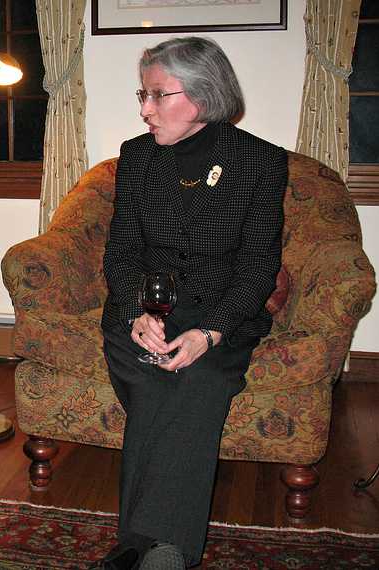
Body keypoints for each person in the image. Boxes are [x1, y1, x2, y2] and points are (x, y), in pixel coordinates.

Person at [99, 37, 287, 569]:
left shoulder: (260, 163)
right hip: (140, 313)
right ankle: (167, 548)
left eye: (158, 95)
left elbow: (258, 267)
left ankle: (145, 544)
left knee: (198, 378)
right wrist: (139, 312)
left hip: (220, 312)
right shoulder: (136, 158)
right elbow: (120, 252)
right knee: (157, 372)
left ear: (202, 97)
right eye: (144, 94)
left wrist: (212, 331)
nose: (144, 109)